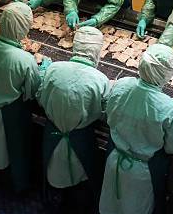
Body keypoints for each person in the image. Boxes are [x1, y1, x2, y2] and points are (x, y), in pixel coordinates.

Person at [99, 44, 173, 214]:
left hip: (113, 160)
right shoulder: (170, 109)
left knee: (111, 205)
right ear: (167, 74)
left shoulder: (122, 85)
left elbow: (109, 115)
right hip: (142, 174)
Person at [37, 27, 109, 213]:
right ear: (96, 51)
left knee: (55, 177)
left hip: (52, 135)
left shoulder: (53, 69)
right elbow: (104, 113)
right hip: (80, 140)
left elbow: (40, 96)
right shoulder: (100, 80)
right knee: (79, 182)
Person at [0, 2, 43, 192]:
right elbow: (31, 91)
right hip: (10, 114)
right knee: (15, 150)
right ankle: (18, 187)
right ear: (21, 28)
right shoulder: (24, 59)